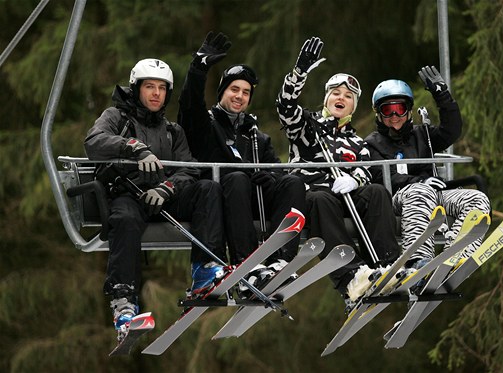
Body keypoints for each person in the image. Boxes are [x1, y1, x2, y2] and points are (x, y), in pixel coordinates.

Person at [84, 58, 228, 341]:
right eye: (149, 86)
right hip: (127, 195)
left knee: (208, 189)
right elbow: (94, 141)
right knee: (124, 219)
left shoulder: (172, 131)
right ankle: (124, 301)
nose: (156, 94)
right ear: (136, 88)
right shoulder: (117, 118)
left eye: (162, 88)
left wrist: (167, 189)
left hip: (162, 196)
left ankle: (204, 270)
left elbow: (188, 168)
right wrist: (131, 147)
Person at [177, 32, 306, 295]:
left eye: (246, 92)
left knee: (293, 182)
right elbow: (189, 107)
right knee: (237, 178)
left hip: (253, 200)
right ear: (223, 91)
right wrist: (198, 68)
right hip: (221, 198)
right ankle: (247, 264)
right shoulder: (208, 125)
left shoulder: (256, 136)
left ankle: (280, 258)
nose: (239, 96)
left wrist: (270, 179)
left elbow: (278, 174)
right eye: (234, 89)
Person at [277, 36, 401, 307]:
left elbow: (368, 169)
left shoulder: (358, 142)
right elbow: (286, 109)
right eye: (335, 93)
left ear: (353, 106)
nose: (341, 98)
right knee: (320, 199)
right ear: (327, 98)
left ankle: (389, 264)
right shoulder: (307, 127)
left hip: (346, 198)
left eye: (348, 96)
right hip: (316, 199)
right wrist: (298, 74)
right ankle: (350, 276)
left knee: (378, 192)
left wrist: (354, 179)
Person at [365, 66, 491, 269]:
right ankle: (418, 260)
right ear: (378, 114)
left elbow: (451, 131)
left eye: (400, 108)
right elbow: (380, 174)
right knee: (420, 191)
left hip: (434, 193)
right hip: (399, 199)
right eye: (388, 110)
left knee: (477, 198)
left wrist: (442, 96)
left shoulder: (422, 135)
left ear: (409, 110)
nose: (395, 115)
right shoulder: (372, 144)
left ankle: (457, 254)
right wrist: (418, 181)